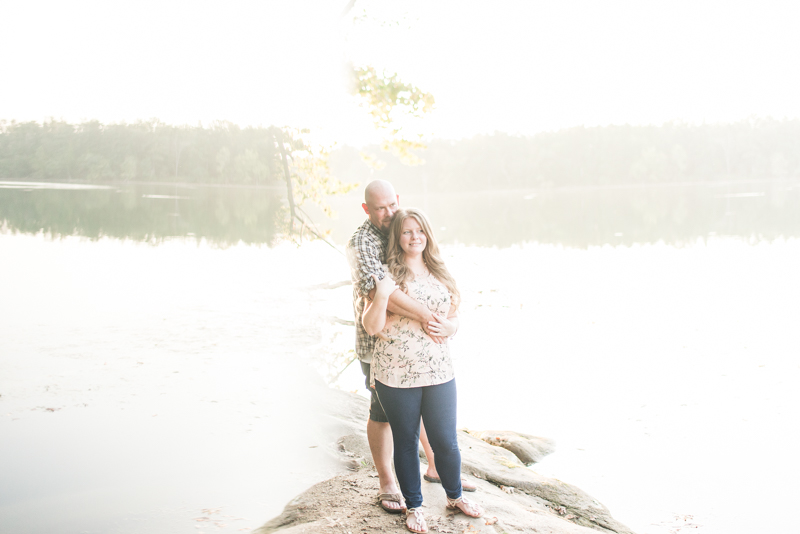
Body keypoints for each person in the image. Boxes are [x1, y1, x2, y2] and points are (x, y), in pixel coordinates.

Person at [346, 181, 474, 517]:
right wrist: (426, 315)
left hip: (434, 366)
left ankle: (442, 474)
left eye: (391, 205)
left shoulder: (418, 244)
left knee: (439, 431)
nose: (388, 213)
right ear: (367, 210)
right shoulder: (365, 244)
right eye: (380, 208)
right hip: (381, 351)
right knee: (384, 414)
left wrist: (449, 325)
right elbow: (375, 298)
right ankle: (390, 483)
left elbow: (454, 309)